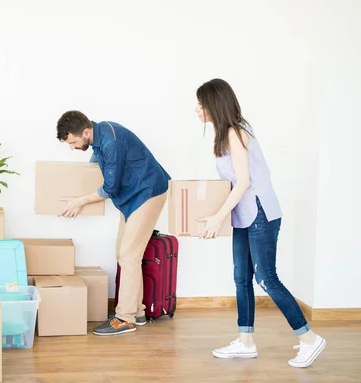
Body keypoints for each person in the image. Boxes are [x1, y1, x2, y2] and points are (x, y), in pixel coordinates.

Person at [195, 78, 326, 368]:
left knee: (266, 278)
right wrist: (217, 213)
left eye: (201, 104)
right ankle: (245, 341)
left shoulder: (235, 133)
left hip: (260, 213)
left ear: (215, 105)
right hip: (243, 215)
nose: (197, 109)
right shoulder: (225, 133)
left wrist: (218, 218)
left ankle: (309, 338)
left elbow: (243, 183)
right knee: (241, 278)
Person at [56, 110, 172, 335]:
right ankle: (137, 312)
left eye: (72, 142)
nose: (72, 147)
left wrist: (80, 201)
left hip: (147, 193)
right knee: (124, 254)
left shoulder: (111, 143)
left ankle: (124, 318)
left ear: (86, 132)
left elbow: (110, 188)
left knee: (129, 256)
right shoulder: (100, 138)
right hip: (132, 197)